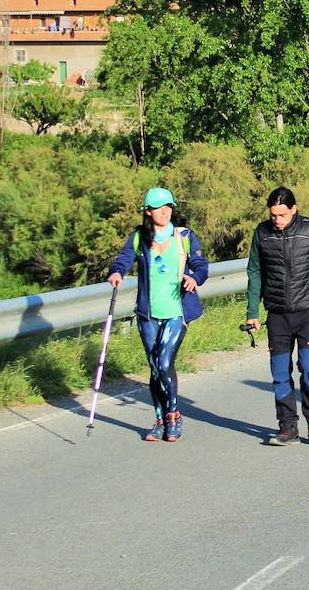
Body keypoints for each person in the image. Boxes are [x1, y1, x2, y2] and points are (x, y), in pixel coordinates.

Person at [107, 187, 210, 442]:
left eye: (168, 207)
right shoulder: (139, 237)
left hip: (177, 311)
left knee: (165, 363)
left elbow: (201, 266)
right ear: (148, 211)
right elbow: (123, 258)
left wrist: (194, 278)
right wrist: (117, 271)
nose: (164, 212)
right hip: (148, 313)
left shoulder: (184, 236)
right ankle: (159, 419)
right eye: (158, 207)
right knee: (155, 368)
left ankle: (174, 415)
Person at [245, 187, 309, 446]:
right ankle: (287, 427)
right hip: (277, 313)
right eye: (273, 215)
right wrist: (252, 312)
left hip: (307, 310)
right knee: (280, 373)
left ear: (294, 210)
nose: (277, 220)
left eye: (282, 215)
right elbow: (254, 272)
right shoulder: (262, 233)